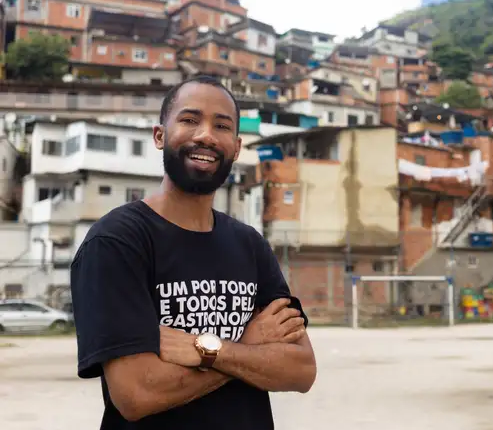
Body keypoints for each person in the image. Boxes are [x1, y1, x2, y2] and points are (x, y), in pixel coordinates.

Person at [70, 76, 316, 429]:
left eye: (222, 126)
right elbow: (137, 394)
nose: (206, 135)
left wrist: (209, 348)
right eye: (189, 120)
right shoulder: (116, 242)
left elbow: (302, 369)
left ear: (235, 146)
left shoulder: (250, 245)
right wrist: (249, 346)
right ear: (160, 136)